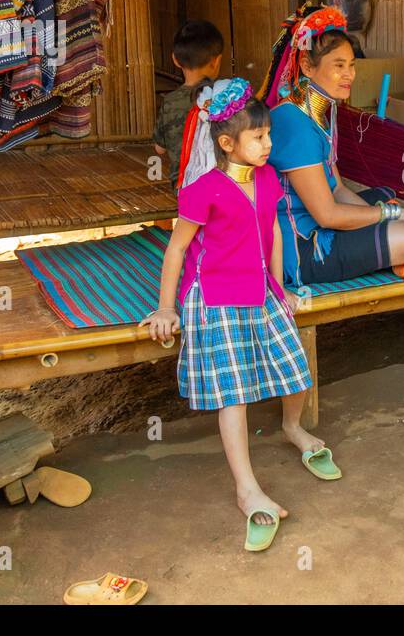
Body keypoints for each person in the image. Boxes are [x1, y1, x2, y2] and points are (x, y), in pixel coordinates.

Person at [141, 78, 342, 553]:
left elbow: (271, 232)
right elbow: (177, 249)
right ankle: (246, 488)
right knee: (234, 393)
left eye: (269, 135)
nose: (268, 144)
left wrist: (279, 287)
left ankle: (293, 427)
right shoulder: (201, 189)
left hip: (261, 288)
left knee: (295, 371)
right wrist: (167, 307)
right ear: (228, 143)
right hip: (213, 296)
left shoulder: (269, 178)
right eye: (259, 137)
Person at [258, 5, 404, 287]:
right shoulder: (293, 122)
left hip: (322, 226)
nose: (349, 75)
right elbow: (327, 215)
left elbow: (338, 189)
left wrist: (387, 214)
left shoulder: (321, 113)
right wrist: (390, 216)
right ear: (306, 66)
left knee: (386, 197)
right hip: (303, 249)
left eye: (351, 65)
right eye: (338, 66)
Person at [152, 20, 225, 186]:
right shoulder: (227, 97)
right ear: (216, 61)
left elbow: (159, 149)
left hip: (184, 190)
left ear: (175, 60)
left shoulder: (169, 102)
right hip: (224, 188)